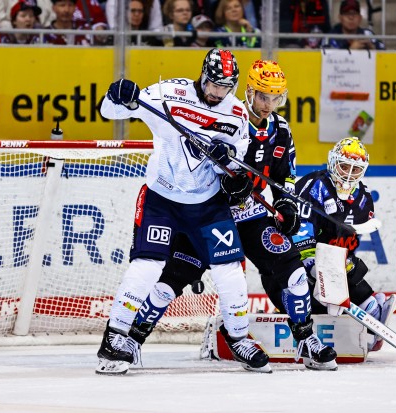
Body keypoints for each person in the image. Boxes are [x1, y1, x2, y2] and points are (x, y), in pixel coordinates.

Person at [115, 59, 338, 372]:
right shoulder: (227, 115)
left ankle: (304, 339)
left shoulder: (282, 129)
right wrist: (227, 182)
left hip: (254, 217)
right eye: (262, 96)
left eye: (276, 98)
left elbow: (286, 174)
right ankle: (132, 341)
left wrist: (286, 204)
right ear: (248, 91)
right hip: (210, 214)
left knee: (295, 274)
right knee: (169, 282)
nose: (269, 104)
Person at [96, 48, 272, 375]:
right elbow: (109, 112)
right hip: (161, 200)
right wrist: (117, 96)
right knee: (147, 267)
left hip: (207, 205)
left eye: (225, 87)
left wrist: (229, 167)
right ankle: (114, 337)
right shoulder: (167, 93)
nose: (218, 93)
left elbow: (235, 169)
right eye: (214, 84)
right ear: (203, 76)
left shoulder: (236, 114)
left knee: (229, 271)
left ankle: (237, 337)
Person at [284, 136, 396, 352]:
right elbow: (300, 230)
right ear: (333, 162)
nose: (348, 173)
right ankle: (296, 313)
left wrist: (341, 265)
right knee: (300, 282)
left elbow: (350, 240)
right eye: (344, 165)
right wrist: (310, 263)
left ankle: (372, 309)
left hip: (332, 259)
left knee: (352, 270)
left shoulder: (364, 197)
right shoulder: (315, 186)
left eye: (355, 169)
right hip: (301, 257)